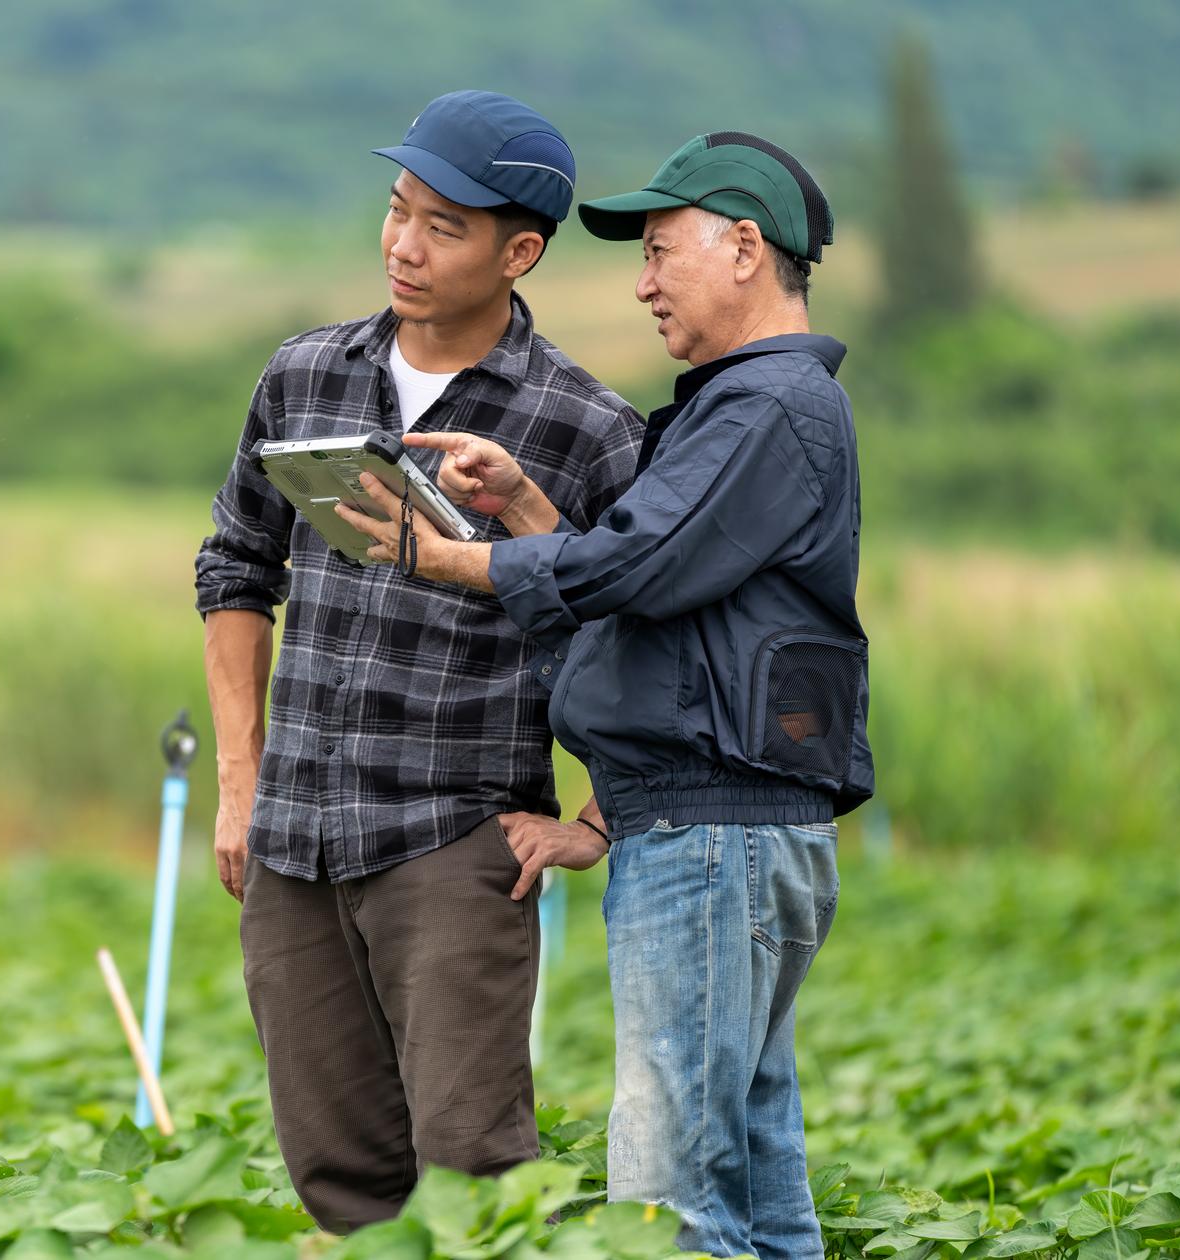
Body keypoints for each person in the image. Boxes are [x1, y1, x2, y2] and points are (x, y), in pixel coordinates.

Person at [333, 131, 872, 1260]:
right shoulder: (744, 407)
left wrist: (445, 559)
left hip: (714, 840)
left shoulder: (764, 407)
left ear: (740, 248)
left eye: (660, 250)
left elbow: (628, 569)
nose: (641, 281)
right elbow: (658, 591)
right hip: (717, 828)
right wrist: (527, 507)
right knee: (757, 1189)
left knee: (673, 1196)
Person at [191, 90, 643, 1235]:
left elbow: (645, 632)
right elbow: (235, 568)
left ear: (519, 251)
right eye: (397, 211)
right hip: (292, 841)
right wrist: (239, 783)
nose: (402, 244)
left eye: (443, 226)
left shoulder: (582, 427)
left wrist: (599, 817)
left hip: (449, 845)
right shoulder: (303, 377)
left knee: (470, 1173)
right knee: (336, 1177)